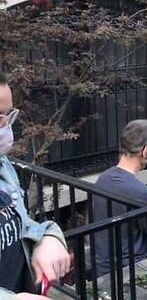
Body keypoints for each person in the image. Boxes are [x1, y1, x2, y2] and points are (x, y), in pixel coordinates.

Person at [0, 72, 71, 299]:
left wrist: (48, 237)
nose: (6, 128)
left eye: (8, 116)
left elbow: (21, 225)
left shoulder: (3, 167)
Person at [92, 119, 147, 276]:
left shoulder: (103, 178)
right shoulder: (140, 192)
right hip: (129, 269)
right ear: (146, 151)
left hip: (103, 264)